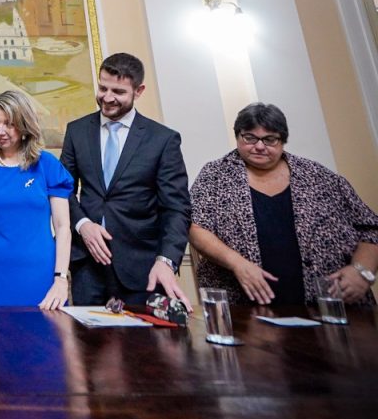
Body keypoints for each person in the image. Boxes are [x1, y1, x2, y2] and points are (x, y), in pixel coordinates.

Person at [190, 102, 378, 305]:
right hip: (244, 308)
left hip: (331, 305)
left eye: (269, 139)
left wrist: (362, 271)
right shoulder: (215, 176)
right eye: (250, 138)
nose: (259, 146)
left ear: (282, 140)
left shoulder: (319, 177)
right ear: (238, 136)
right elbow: (195, 227)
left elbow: (371, 229)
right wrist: (238, 263)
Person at [60, 52, 191, 308]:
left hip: (142, 267)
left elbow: (176, 207)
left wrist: (166, 260)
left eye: (118, 91)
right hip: (87, 266)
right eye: (102, 88)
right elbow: (62, 189)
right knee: (88, 344)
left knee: (145, 347)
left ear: (138, 90)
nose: (107, 98)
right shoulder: (76, 131)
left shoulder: (163, 140)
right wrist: (82, 224)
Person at [0, 91, 73, 308]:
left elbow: (63, 226)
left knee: (48, 339)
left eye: (9, 124)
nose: (0, 130)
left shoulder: (47, 165)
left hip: (43, 275)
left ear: (24, 126)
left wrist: (60, 279)